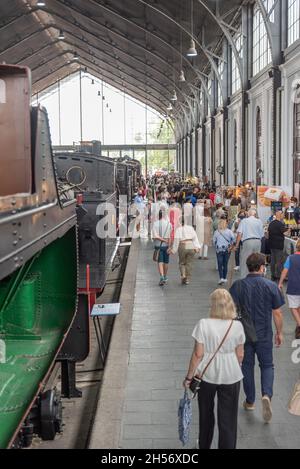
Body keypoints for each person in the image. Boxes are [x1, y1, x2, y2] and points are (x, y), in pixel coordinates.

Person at [183, 289, 245, 449]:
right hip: (231, 375)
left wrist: (189, 377)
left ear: (213, 306)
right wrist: (234, 367)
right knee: (229, 418)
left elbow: (198, 354)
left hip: (206, 376)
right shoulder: (237, 325)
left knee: (206, 414)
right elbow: (240, 355)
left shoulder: (203, 324)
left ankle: (204, 445)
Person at [230, 253, 284, 422]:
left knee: (246, 366)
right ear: (262, 267)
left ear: (248, 267)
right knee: (267, 366)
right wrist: (279, 332)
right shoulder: (270, 285)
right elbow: (277, 313)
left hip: (243, 335)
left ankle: (250, 400)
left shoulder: (238, 286)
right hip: (264, 334)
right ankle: (266, 394)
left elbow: (231, 312)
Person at [279, 238, 300, 339]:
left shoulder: (290, 258)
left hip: (293, 286)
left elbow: (284, 271)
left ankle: (299, 325)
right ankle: (298, 327)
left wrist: (280, 283)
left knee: (293, 307)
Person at [169, 220, 201, 285]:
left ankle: (183, 275)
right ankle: (187, 279)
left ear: (180, 222)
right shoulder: (191, 228)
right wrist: (197, 247)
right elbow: (195, 237)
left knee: (182, 262)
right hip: (191, 244)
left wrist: (173, 250)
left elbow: (176, 240)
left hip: (182, 244)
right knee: (189, 263)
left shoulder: (178, 229)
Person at [235, 208, 264, 279]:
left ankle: (244, 278)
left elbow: (240, 233)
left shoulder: (244, 221)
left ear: (248, 214)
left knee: (245, 260)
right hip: (257, 241)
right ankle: (257, 277)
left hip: (248, 241)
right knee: (257, 260)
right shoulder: (259, 221)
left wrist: (237, 245)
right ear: (255, 214)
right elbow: (262, 235)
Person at [267, 210, 289, 282]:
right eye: (282, 214)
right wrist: (289, 229)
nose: (283, 216)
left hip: (272, 245)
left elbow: (267, 234)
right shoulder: (280, 224)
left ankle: (273, 275)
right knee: (279, 261)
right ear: (279, 215)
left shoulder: (271, 223)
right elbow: (285, 233)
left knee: (273, 261)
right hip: (278, 245)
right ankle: (279, 276)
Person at [152, 209, 172, 286]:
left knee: (160, 262)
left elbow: (155, 236)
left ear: (158, 215)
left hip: (159, 246)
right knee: (166, 262)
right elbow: (170, 236)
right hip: (166, 246)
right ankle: (165, 276)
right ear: (165, 216)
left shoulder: (155, 224)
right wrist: (169, 246)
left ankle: (162, 277)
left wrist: (162, 240)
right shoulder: (169, 224)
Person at [213, 219, 235, 285]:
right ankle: (224, 278)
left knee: (220, 264)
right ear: (226, 224)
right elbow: (233, 239)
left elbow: (214, 241)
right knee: (225, 264)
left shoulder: (216, 232)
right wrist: (231, 246)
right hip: (227, 249)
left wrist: (216, 245)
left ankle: (221, 278)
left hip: (219, 250)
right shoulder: (229, 231)